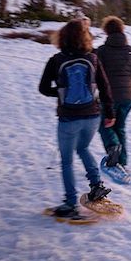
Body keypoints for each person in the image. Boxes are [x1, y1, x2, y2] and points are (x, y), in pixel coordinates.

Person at [39, 19, 116, 219]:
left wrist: (62, 93)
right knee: (83, 148)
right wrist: (110, 113)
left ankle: (71, 204)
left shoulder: (56, 60)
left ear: (62, 37)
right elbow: (105, 87)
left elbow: (43, 88)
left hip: (69, 118)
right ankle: (97, 187)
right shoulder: (93, 58)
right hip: (92, 115)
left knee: (66, 161)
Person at [96, 16, 131, 174]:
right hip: (128, 96)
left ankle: (113, 147)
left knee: (104, 125)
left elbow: (95, 73)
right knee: (120, 127)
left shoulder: (102, 51)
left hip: (109, 96)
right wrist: (128, 72)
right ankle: (122, 160)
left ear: (106, 31)